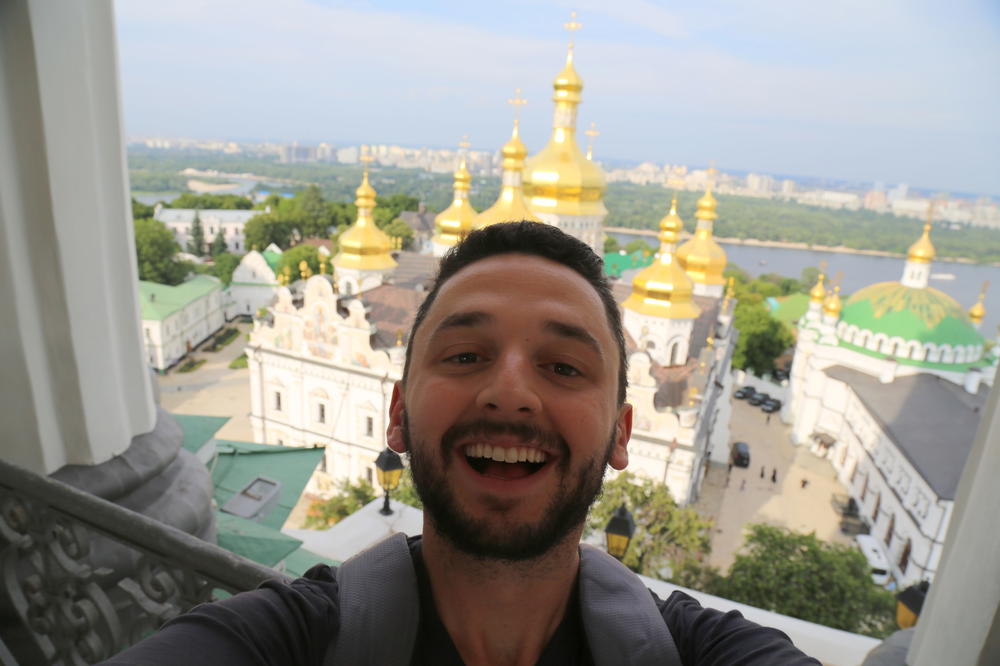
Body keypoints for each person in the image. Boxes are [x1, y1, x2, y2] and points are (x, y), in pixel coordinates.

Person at [102, 222, 818, 665]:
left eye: (564, 366)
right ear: (398, 415)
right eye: (466, 355)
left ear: (621, 434)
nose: (510, 392)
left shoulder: (700, 653)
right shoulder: (289, 638)